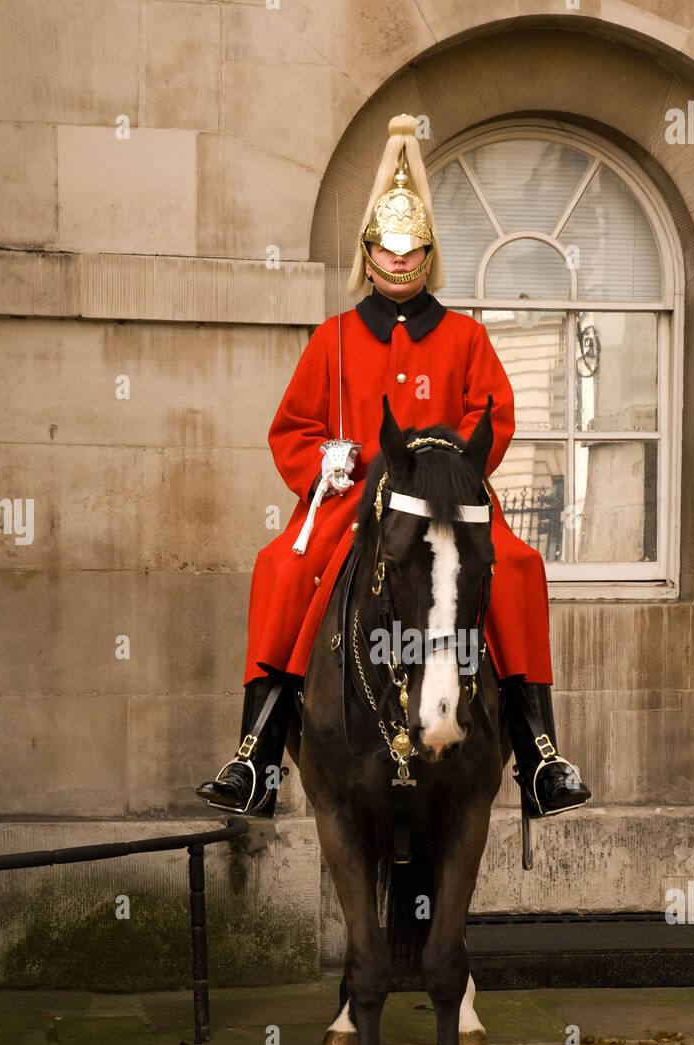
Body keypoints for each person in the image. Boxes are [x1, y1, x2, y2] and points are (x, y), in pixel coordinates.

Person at [197, 115, 590, 820]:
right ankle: (257, 751)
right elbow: (292, 426)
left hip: (449, 500)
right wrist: (327, 459)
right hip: (355, 501)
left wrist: (452, 466)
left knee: (520, 566)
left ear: (429, 255)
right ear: (369, 252)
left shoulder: (467, 336)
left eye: (414, 252)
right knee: (283, 567)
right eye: (389, 249)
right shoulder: (334, 339)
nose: (401, 262)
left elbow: (492, 415)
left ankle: (538, 752)